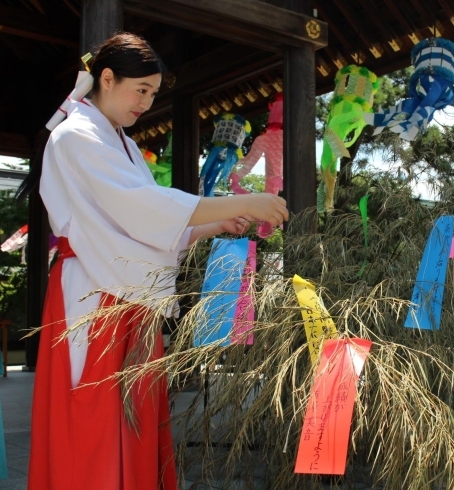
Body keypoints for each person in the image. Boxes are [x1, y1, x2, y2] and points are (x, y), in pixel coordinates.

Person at [20, 33, 289, 490]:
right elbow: (141, 207)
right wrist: (232, 204)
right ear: (106, 79)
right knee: (94, 422)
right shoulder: (76, 135)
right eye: (140, 89)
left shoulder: (117, 142)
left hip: (124, 291)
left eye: (152, 93)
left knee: (131, 417)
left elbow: (146, 221)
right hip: (93, 293)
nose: (145, 102)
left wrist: (213, 225)